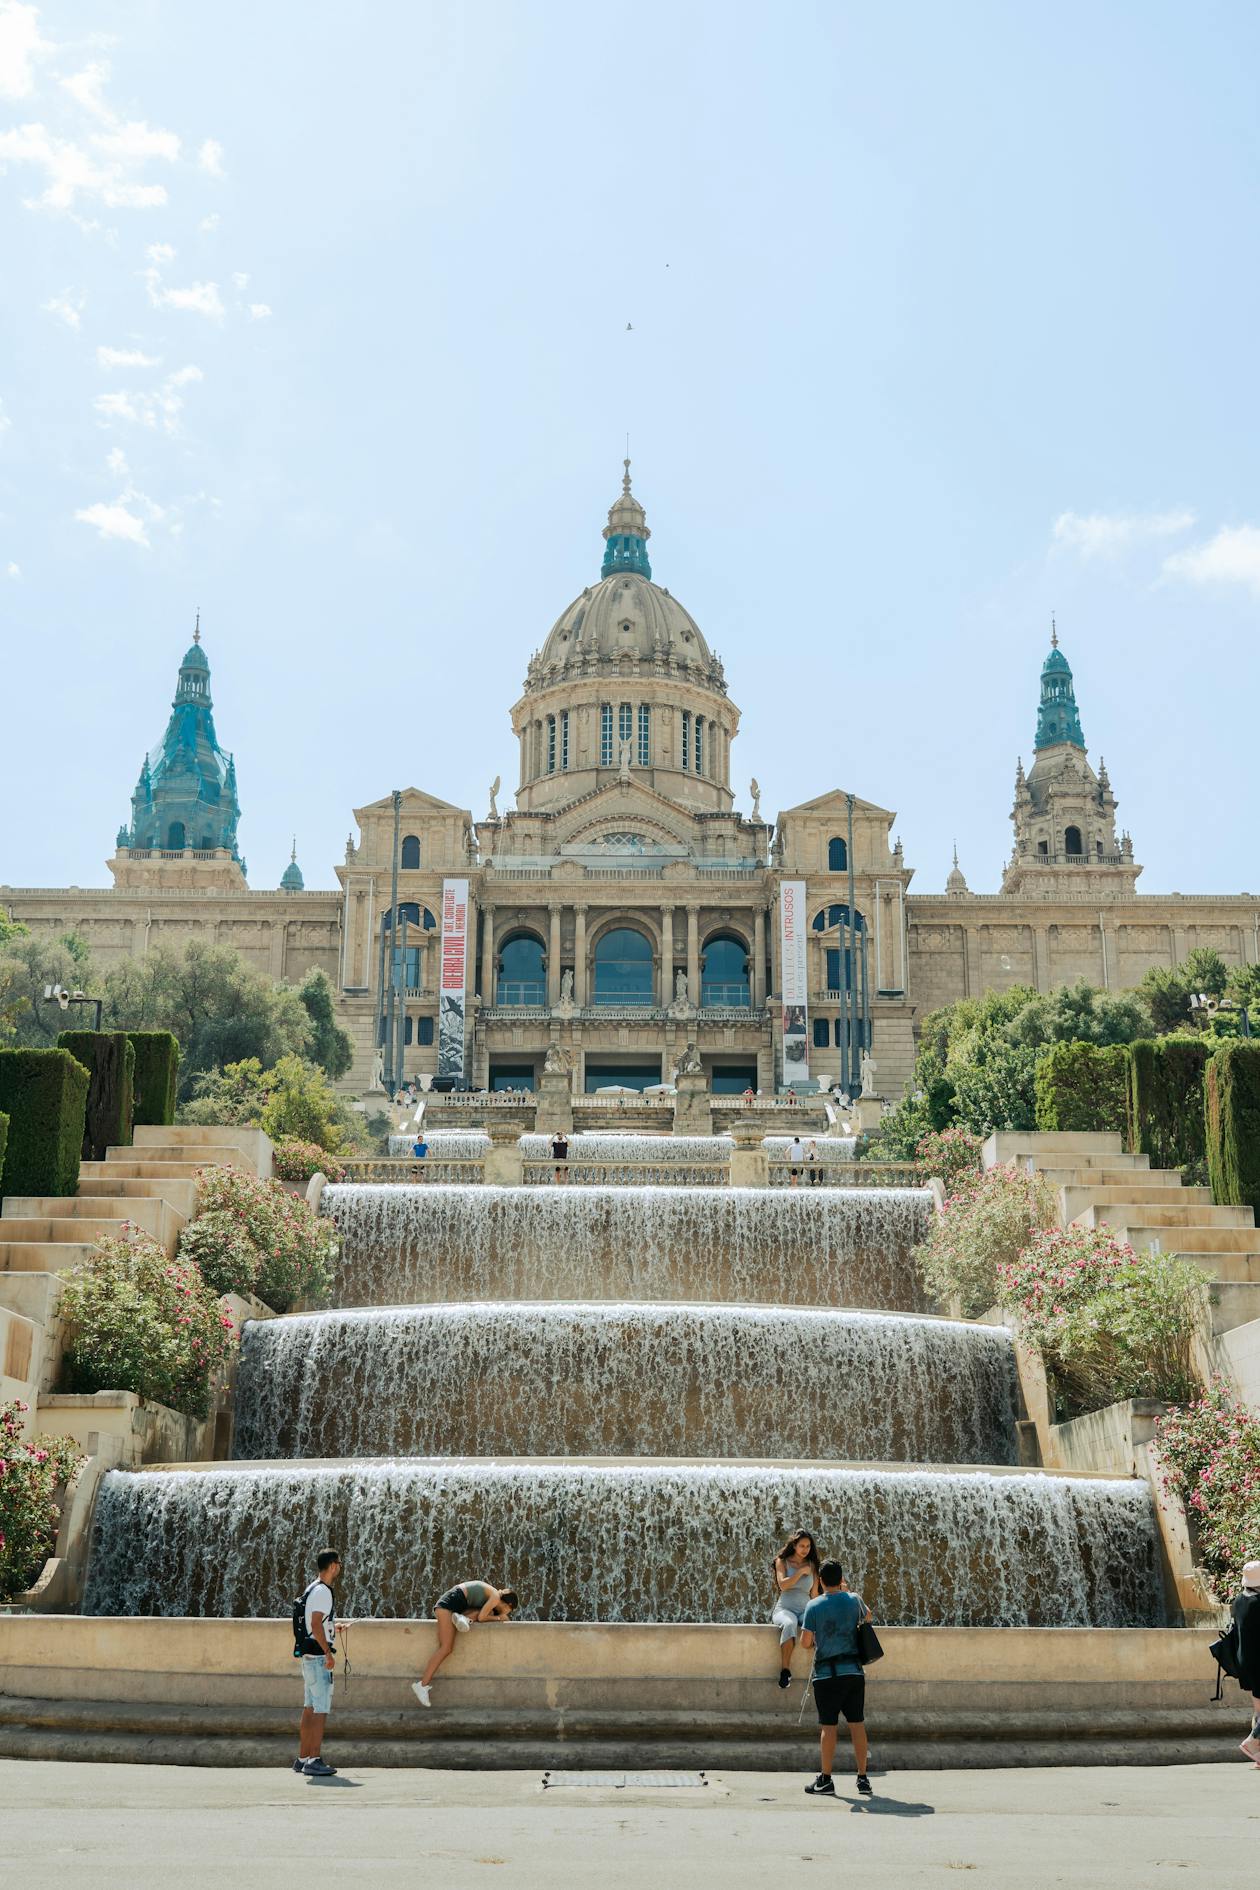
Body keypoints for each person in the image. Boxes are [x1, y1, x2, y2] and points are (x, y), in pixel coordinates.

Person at [800, 1559, 873, 1797]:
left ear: (820, 1581)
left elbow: (805, 1643)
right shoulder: (854, 1599)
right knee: (857, 1724)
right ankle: (863, 1778)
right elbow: (868, 1617)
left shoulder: (813, 1605)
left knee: (828, 1727)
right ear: (841, 1579)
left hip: (826, 1675)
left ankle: (826, 1779)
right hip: (853, 1672)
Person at [412, 1580, 518, 1707]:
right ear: (508, 1605)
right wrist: (500, 1618)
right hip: (449, 1604)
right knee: (446, 1648)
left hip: (456, 1603)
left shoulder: (492, 1597)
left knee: (487, 1612)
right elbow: (482, 1618)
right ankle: (422, 1685)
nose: (507, 1613)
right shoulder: (495, 1597)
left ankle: (464, 1618)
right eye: (509, 1610)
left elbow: (484, 1613)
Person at [294, 1548, 341, 1778]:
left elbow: (318, 1623)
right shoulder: (324, 1591)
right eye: (339, 1564)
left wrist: (333, 1629)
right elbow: (315, 1624)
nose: (339, 1568)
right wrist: (328, 1652)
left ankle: (302, 1759)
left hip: (307, 1656)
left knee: (309, 1707)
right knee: (320, 1710)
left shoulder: (312, 1588)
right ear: (333, 1565)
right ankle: (314, 1759)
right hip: (319, 1657)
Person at [771, 1529, 821, 1688]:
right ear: (794, 1545)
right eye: (802, 1546)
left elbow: (814, 1593)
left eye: (808, 1546)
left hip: (805, 1609)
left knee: (818, 1624)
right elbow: (783, 1585)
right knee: (789, 1624)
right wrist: (799, 1572)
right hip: (785, 1609)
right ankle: (785, 1670)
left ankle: (819, 1667)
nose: (805, 1549)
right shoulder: (782, 1561)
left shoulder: (813, 1565)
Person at [1235, 1559, 1260, 1764]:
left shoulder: (1239, 1601)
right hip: (1259, 1661)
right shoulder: (1258, 1603)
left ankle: (1258, 1755)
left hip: (1245, 1660)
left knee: (1259, 1710)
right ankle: (1252, 1741)